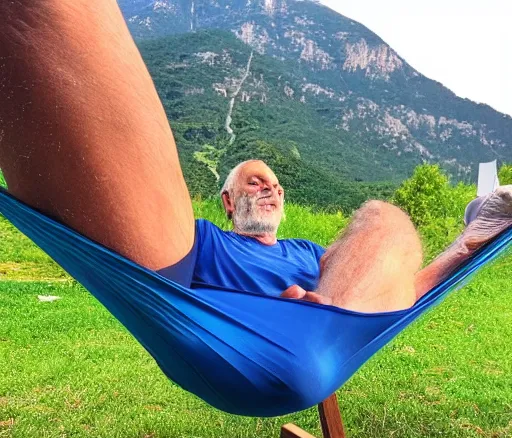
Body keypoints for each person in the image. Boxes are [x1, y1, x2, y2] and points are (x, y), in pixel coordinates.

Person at [1, 0, 511, 315]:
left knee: (383, 215)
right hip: (244, 342)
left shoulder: (313, 255)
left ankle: (466, 240)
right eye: (254, 182)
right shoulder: (202, 242)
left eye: (274, 183)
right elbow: (138, 246)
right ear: (226, 200)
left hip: (334, 316)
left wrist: (340, 295)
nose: (271, 187)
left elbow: (387, 285)